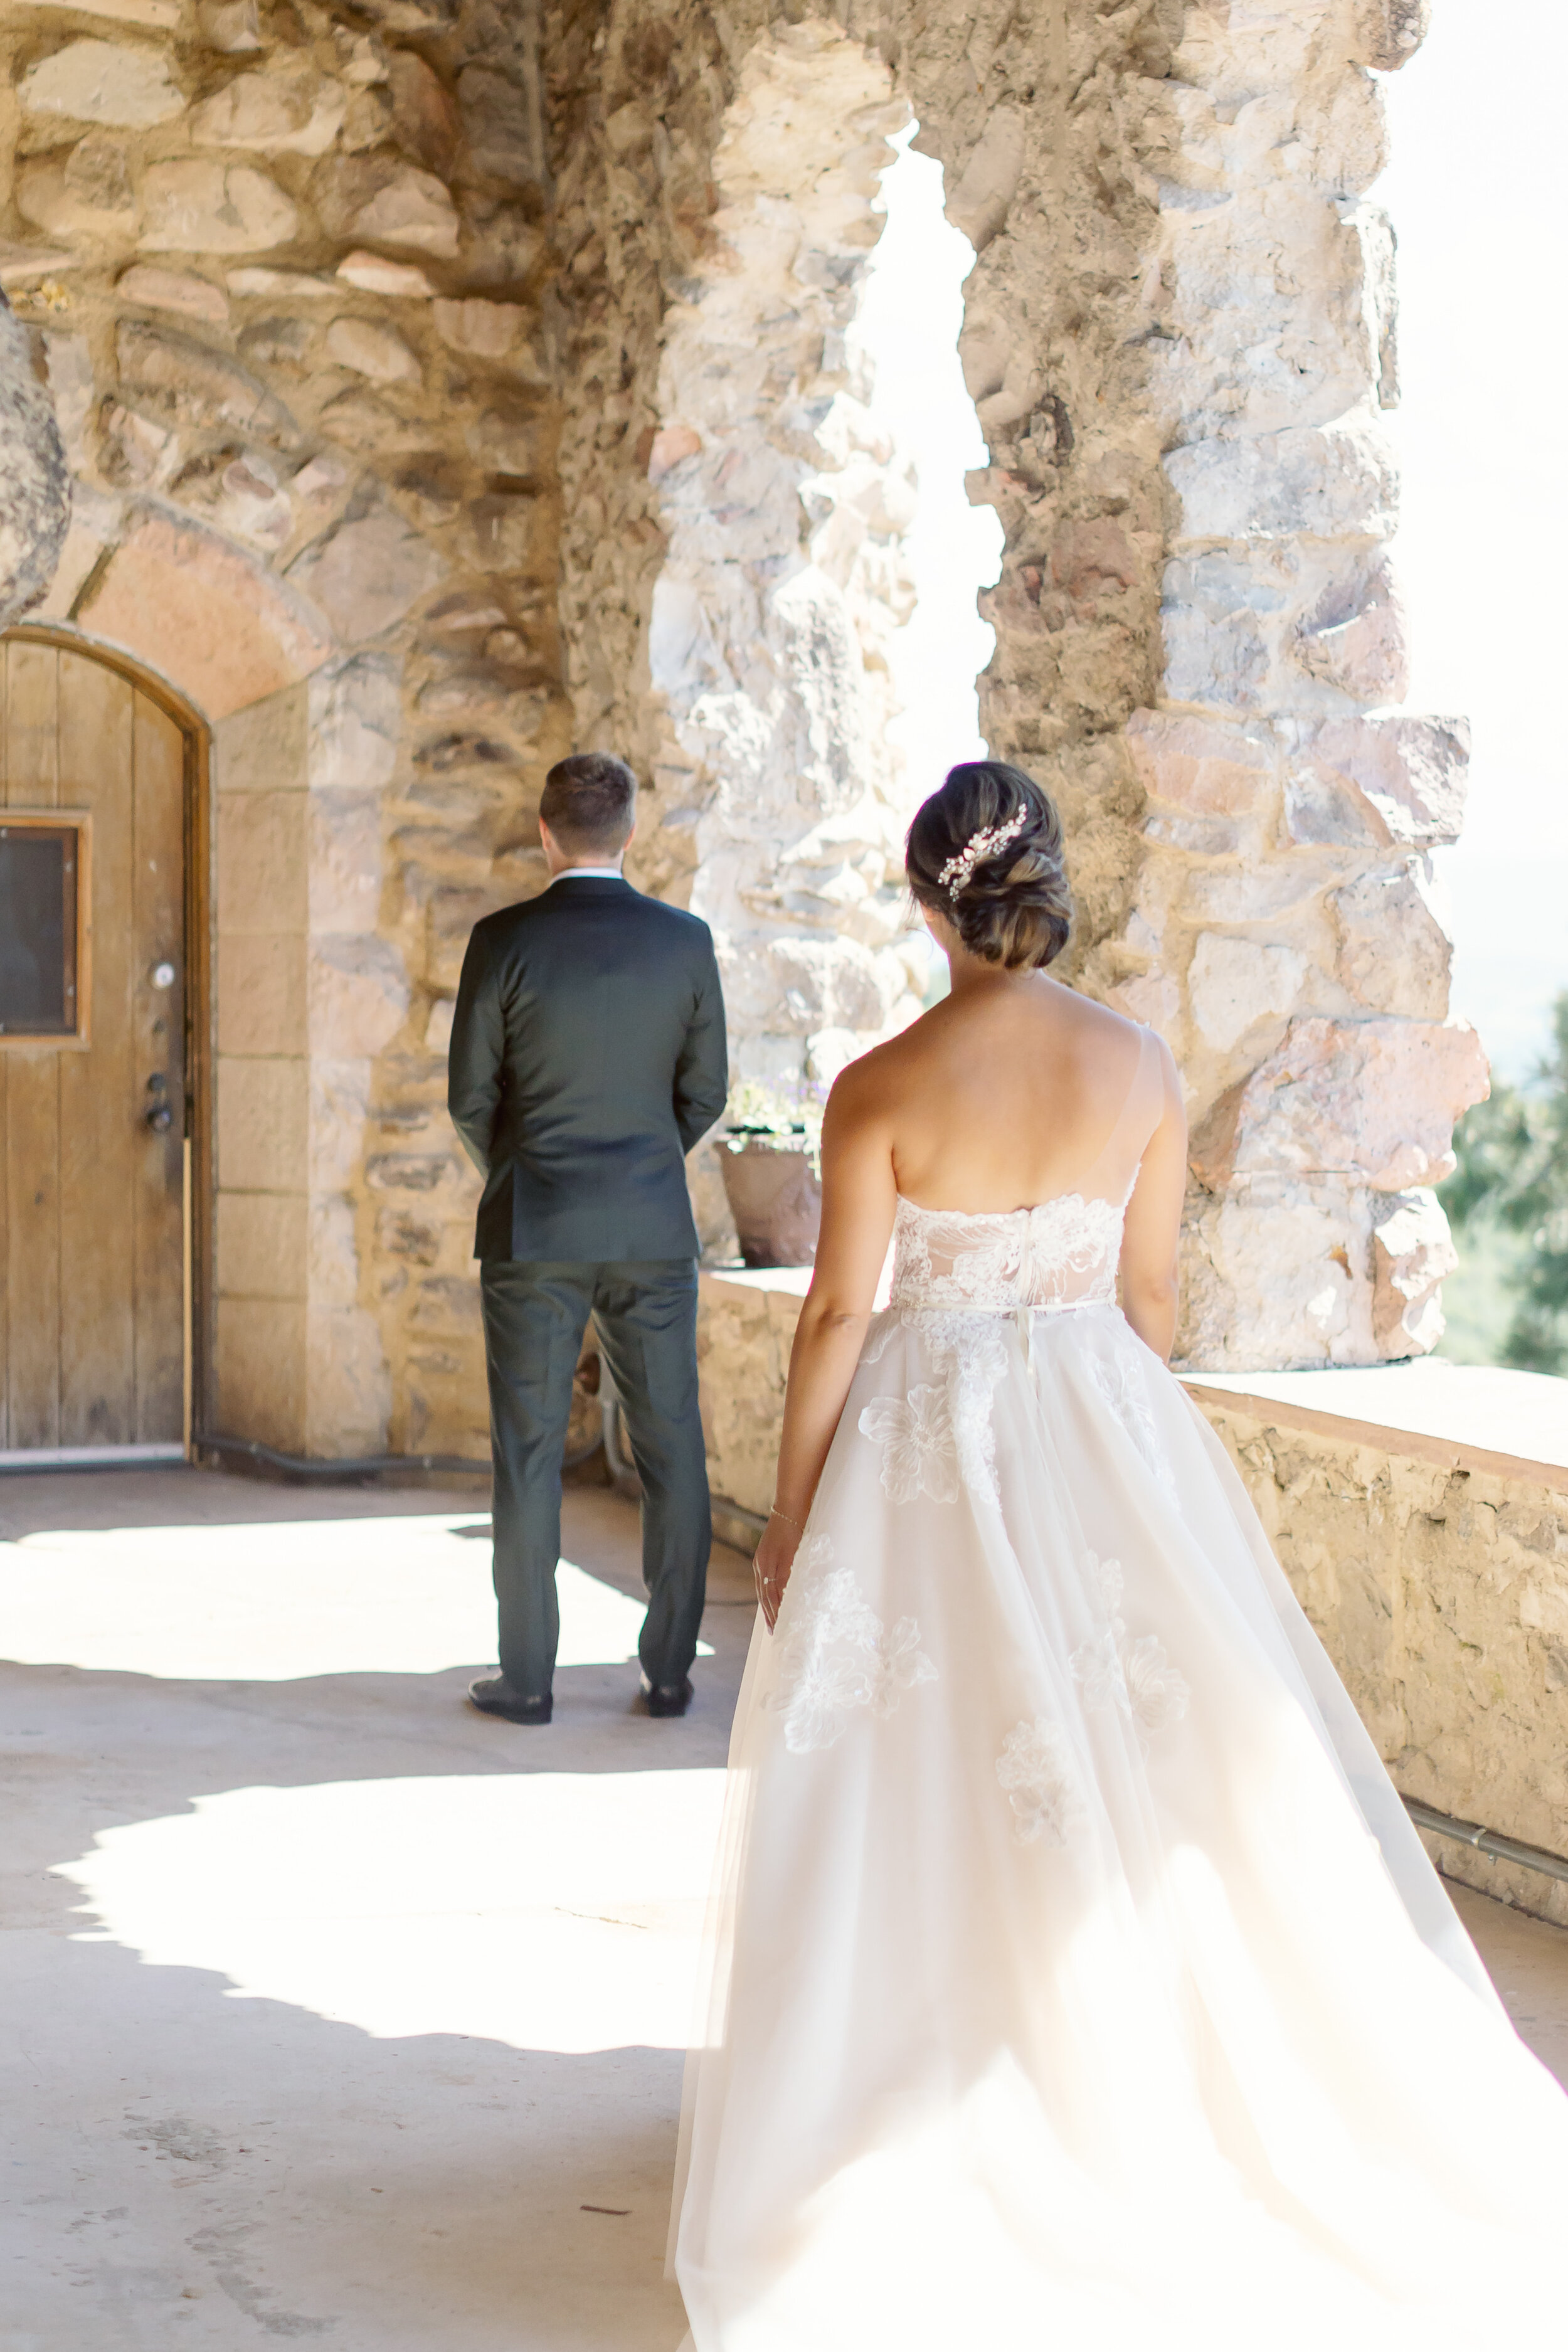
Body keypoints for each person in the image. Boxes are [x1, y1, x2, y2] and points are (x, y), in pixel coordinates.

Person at [667, 760, 1568, 2348]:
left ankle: (937, 2081)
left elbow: (833, 1316)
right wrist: (1111, 1433)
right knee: (1150, 1763)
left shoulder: (877, 1084)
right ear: (1045, 887)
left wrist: (798, 1510)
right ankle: (1135, 2080)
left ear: (922, 897)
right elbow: (1151, 1309)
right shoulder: (1138, 1064)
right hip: (1096, 1413)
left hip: (924, 1440)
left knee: (911, 1772)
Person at [447, 752, 728, 1725]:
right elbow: (705, 1094)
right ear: (631, 834)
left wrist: (522, 1174)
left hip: (533, 1229)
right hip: (651, 1228)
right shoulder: (685, 942)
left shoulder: (502, 940)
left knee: (526, 1453)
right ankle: (670, 1671)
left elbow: (468, 1097)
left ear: (544, 830)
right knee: (671, 1442)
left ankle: (527, 1679)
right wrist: (647, 1166)